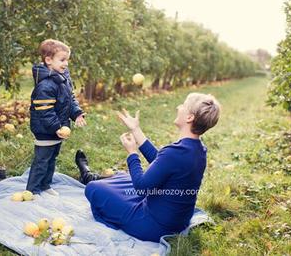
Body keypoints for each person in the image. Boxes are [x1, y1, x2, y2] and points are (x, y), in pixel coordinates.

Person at [75, 93, 220, 242]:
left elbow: (141, 188)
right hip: (177, 221)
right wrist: (135, 129)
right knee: (123, 176)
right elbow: (162, 161)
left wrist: (132, 153)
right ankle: (93, 177)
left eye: (183, 105)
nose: (179, 107)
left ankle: (88, 178)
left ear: (189, 117)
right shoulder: (199, 149)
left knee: (93, 188)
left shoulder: (174, 153)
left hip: (153, 225)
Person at [27, 39, 87, 196]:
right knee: (42, 160)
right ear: (48, 61)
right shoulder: (45, 85)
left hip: (58, 129)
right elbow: (45, 111)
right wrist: (56, 127)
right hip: (46, 129)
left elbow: (69, 99)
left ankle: (45, 185)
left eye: (67, 60)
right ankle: (32, 190)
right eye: (62, 60)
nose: (66, 63)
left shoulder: (63, 78)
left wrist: (77, 113)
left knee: (52, 158)